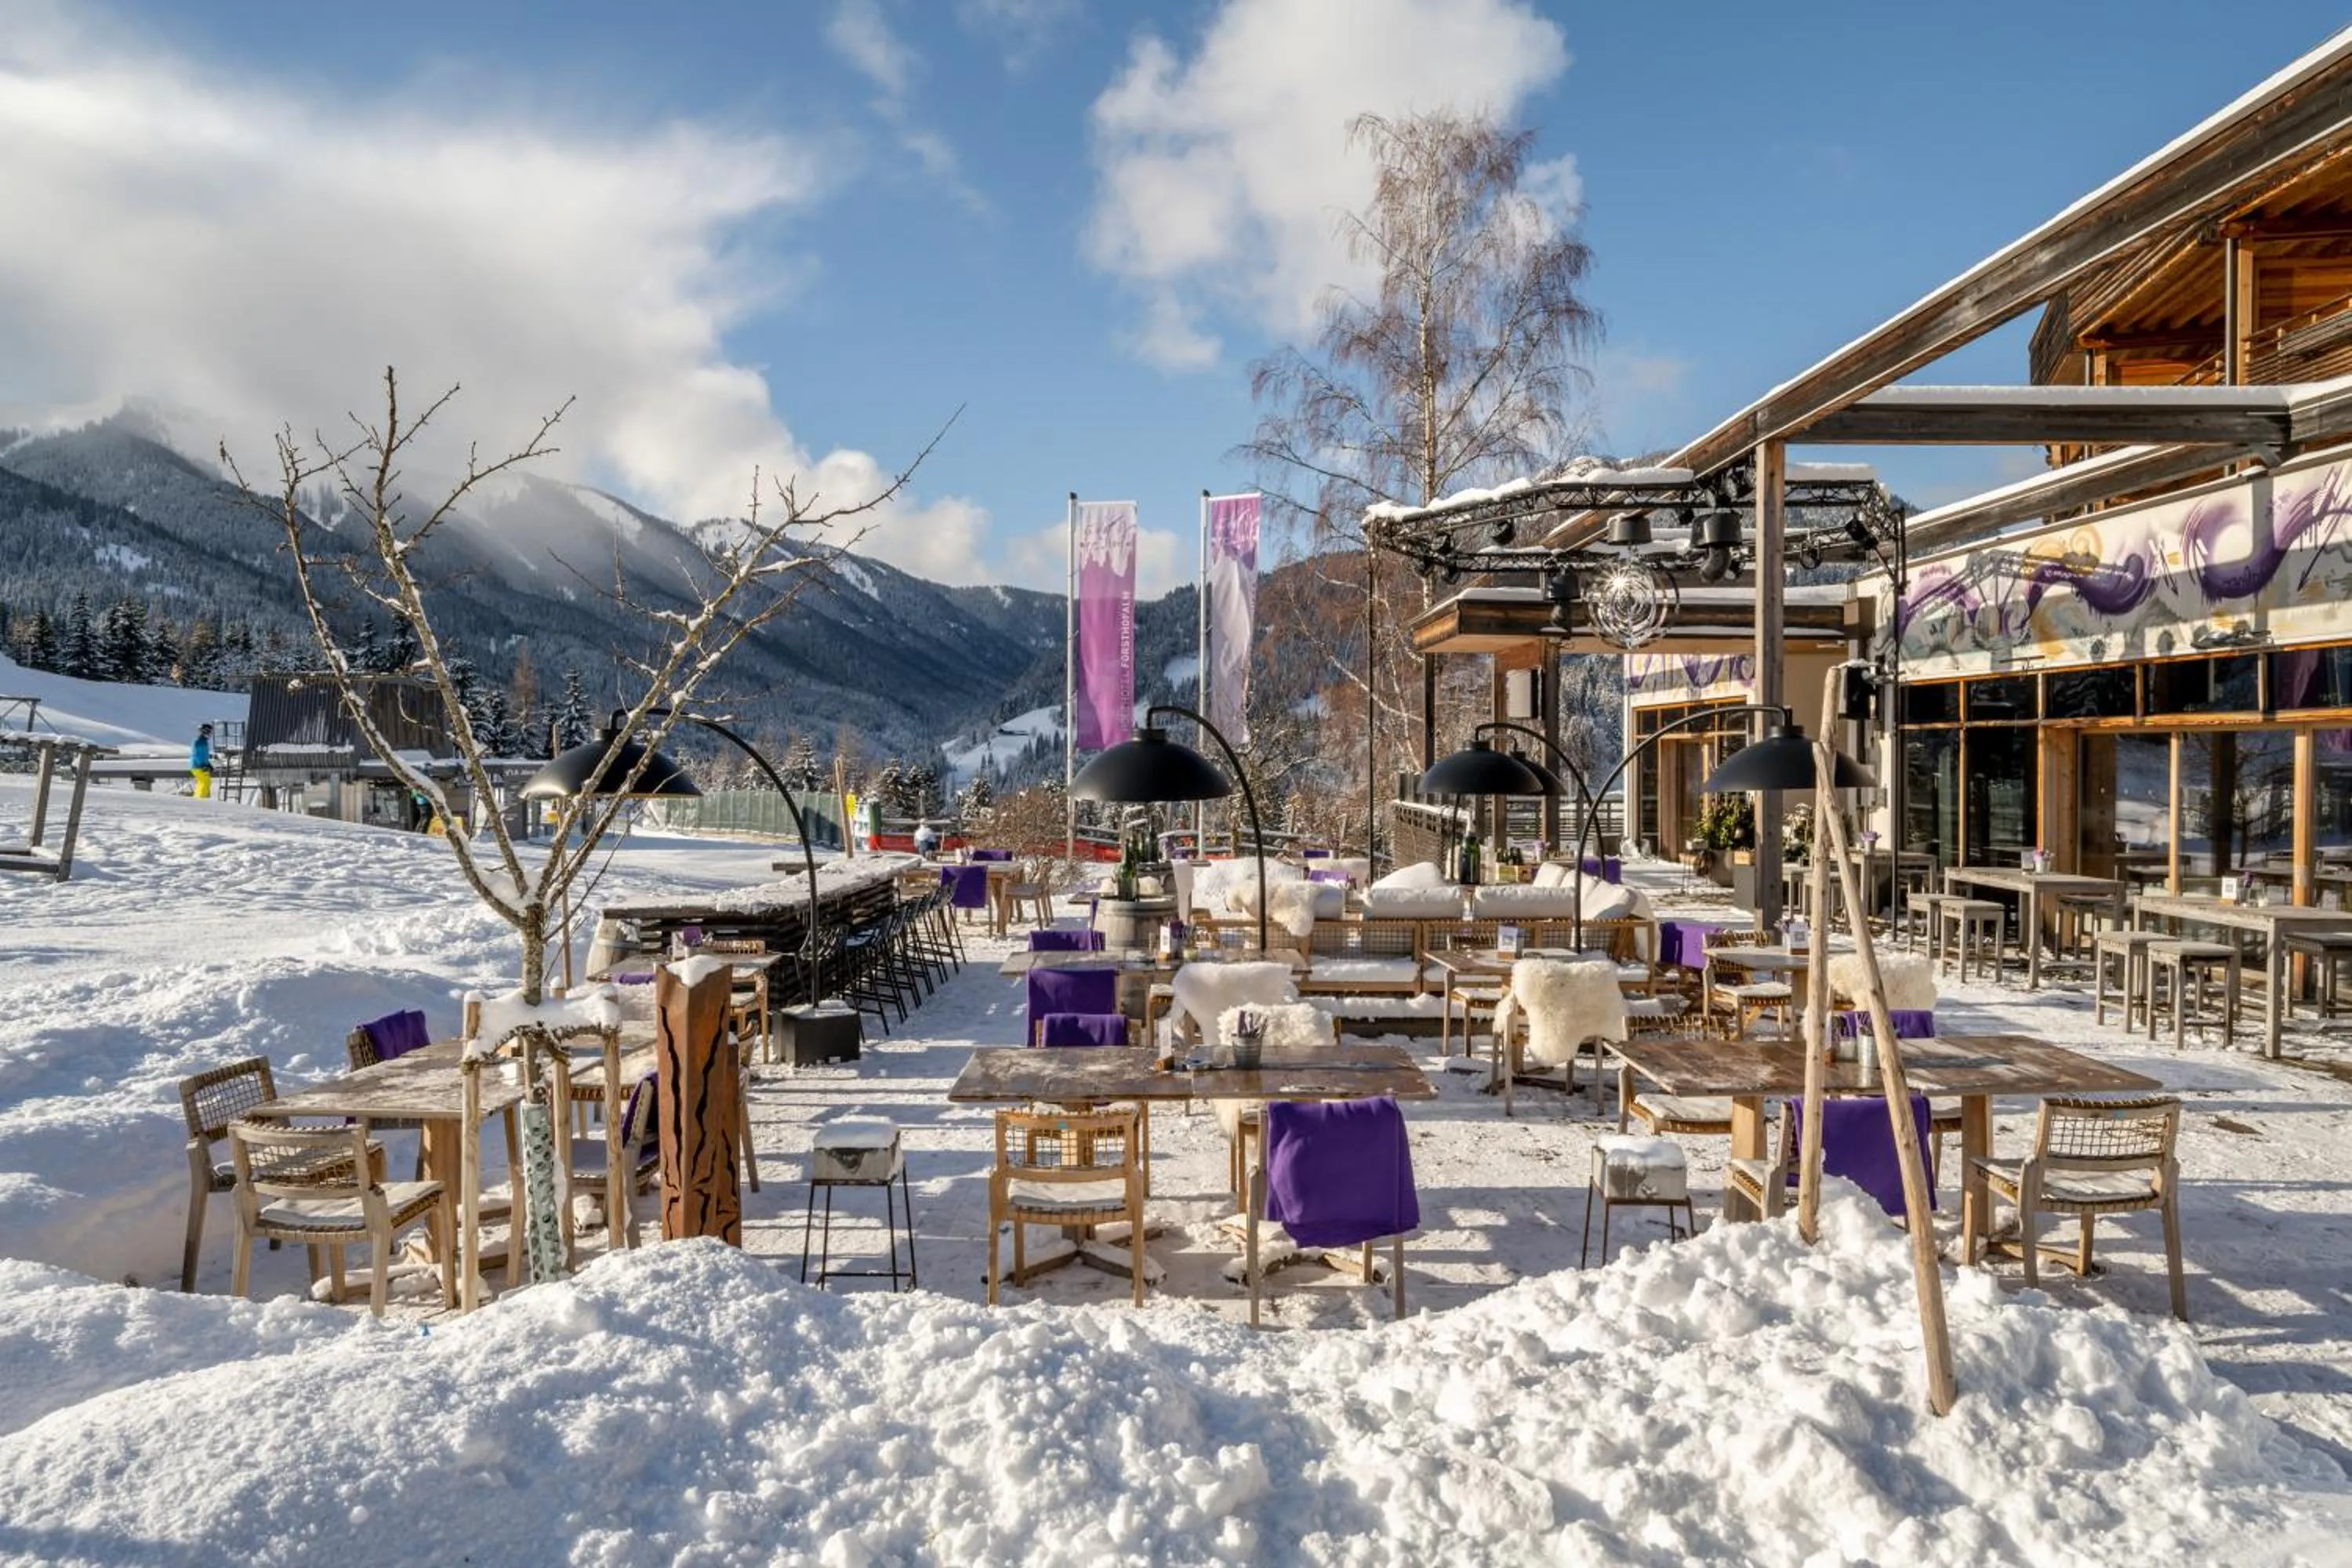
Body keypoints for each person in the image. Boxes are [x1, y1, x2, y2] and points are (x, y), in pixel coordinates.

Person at [189, 724, 215, 800]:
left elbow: (204, 755)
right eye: (209, 732)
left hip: (200, 766)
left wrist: (208, 764)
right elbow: (196, 754)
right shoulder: (199, 741)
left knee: (203, 782)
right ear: (205, 731)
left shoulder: (203, 741)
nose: (210, 734)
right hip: (198, 766)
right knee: (206, 782)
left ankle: (198, 798)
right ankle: (200, 799)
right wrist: (203, 765)